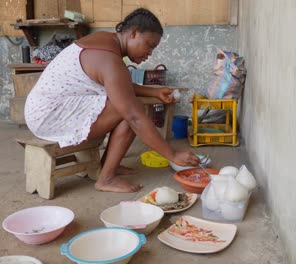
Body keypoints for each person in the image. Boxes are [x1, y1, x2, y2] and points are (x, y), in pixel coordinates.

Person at [24, 8, 200, 193]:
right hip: (48, 115)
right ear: (133, 34)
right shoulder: (108, 58)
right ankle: (106, 178)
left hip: (46, 109)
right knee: (131, 110)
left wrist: (153, 92)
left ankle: (106, 166)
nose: (150, 53)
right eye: (149, 45)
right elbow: (133, 115)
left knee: (126, 105)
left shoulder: (106, 42)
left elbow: (118, 85)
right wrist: (172, 154)